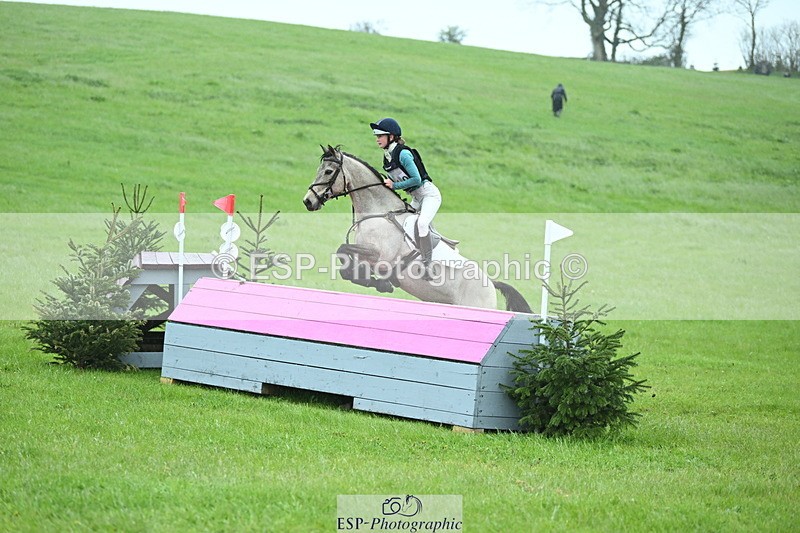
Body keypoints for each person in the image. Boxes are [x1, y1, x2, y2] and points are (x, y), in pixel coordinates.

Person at [370, 117, 442, 273]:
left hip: (428, 195)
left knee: (422, 224)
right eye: (377, 136)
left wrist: (394, 185)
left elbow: (416, 179)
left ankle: (428, 265)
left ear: (391, 136)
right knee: (402, 224)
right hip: (416, 197)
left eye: (380, 135)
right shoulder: (387, 156)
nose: (377, 139)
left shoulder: (403, 154)